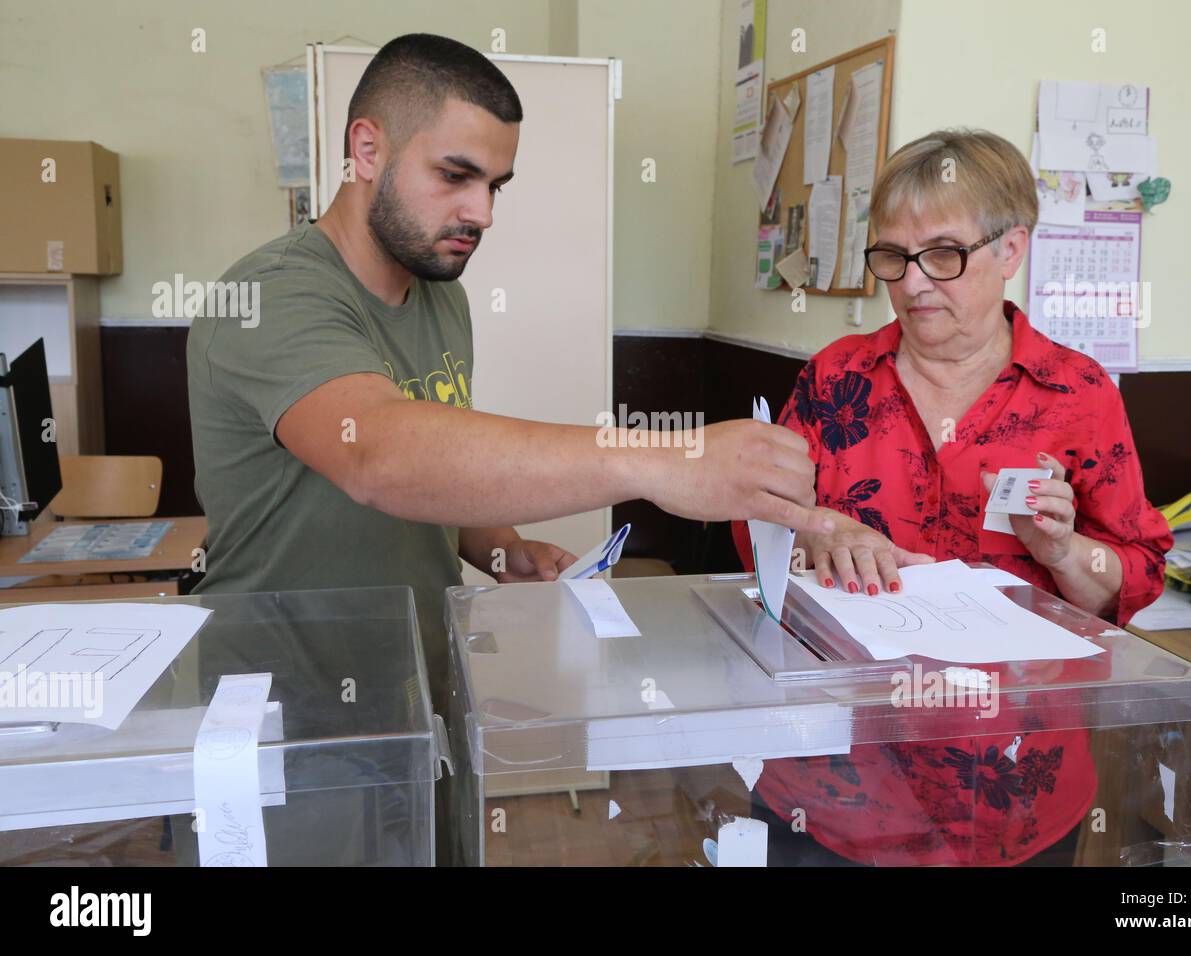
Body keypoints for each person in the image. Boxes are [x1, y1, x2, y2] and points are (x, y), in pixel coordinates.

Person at [187, 34, 830, 700]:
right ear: (367, 151)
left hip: (417, 670)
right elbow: (376, 454)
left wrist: (498, 547)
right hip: (276, 699)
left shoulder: (442, 295)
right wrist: (662, 460)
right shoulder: (271, 297)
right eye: (455, 175)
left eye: (495, 185)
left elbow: (436, 466)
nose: (483, 213)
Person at [733, 129, 1173, 866]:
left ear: (1011, 251)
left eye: (942, 254)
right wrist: (818, 530)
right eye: (892, 257)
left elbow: (1137, 574)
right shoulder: (837, 377)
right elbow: (756, 529)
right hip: (836, 787)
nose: (911, 283)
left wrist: (1064, 552)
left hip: (1012, 792)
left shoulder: (1078, 394)